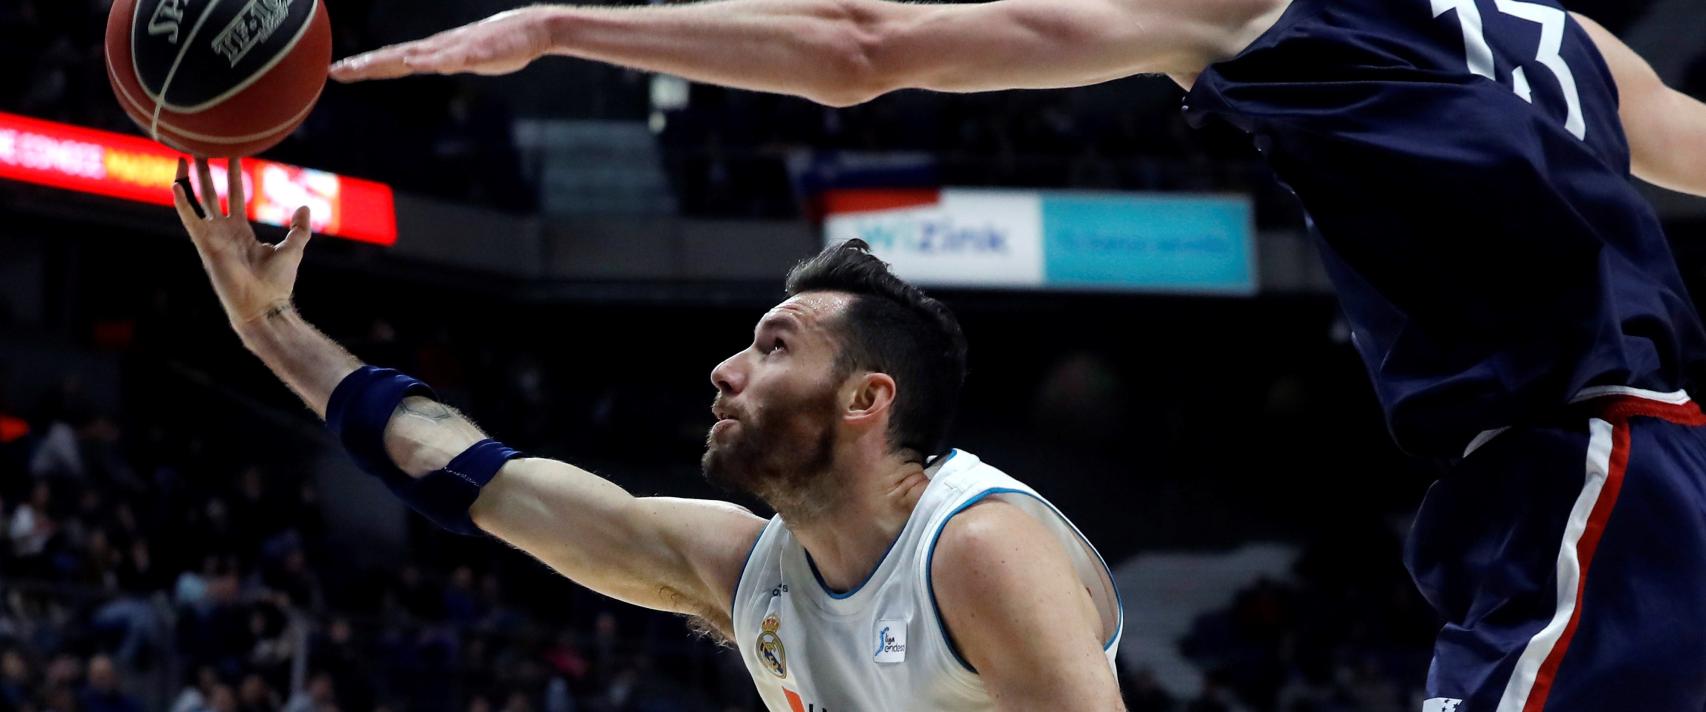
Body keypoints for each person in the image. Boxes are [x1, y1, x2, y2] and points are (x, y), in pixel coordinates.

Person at [330, 0, 1706, 708]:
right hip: (1617, 465)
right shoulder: (1564, 41)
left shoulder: (1262, 11)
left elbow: (861, 45)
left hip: (1583, 467)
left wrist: (560, 28)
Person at [168, 157, 1124, 710]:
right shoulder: (746, 570)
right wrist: (268, 328)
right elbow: (465, 474)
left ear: (866, 400)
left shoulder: (979, 549)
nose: (726, 370)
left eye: (773, 347)